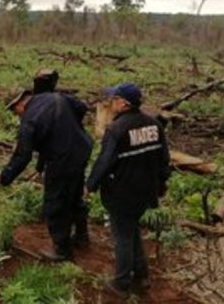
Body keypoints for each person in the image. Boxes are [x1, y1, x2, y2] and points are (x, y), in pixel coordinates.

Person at [86, 83, 170, 297]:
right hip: (146, 192)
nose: (110, 103)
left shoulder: (116, 129)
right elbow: (164, 160)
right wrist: (161, 184)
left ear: (123, 103)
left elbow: (104, 162)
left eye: (113, 99)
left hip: (122, 193)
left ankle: (121, 283)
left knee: (122, 236)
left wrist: (90, 185)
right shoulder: (154, 124)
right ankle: (142, 276)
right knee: (131, 231)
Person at [0, 88, 93, 261]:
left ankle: (62, 250)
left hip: (62, 159)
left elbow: (22, 155)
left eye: (14, 110)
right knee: (74, 194)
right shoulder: (56, 97)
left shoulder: (29, 119)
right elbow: (80, 107)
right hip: (81, 150)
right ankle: (81, 237)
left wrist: (5, 176)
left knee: (55, 202)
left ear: (19, 103)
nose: (15, 114)